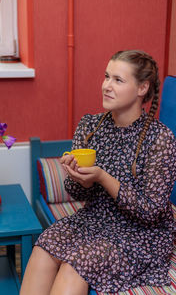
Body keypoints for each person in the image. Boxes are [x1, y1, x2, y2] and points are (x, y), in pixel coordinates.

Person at [20, 50, 176, 295]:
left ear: (142, 88)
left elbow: (151, 212)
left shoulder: (160, 139)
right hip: (96, 219)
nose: (106, 86)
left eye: (118, 80)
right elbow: (76, 192)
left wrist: (103, 177)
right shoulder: (90, 126)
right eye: (106, 77)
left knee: (76, 264)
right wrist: (74, 175)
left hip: (140, 234)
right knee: (44, 246)